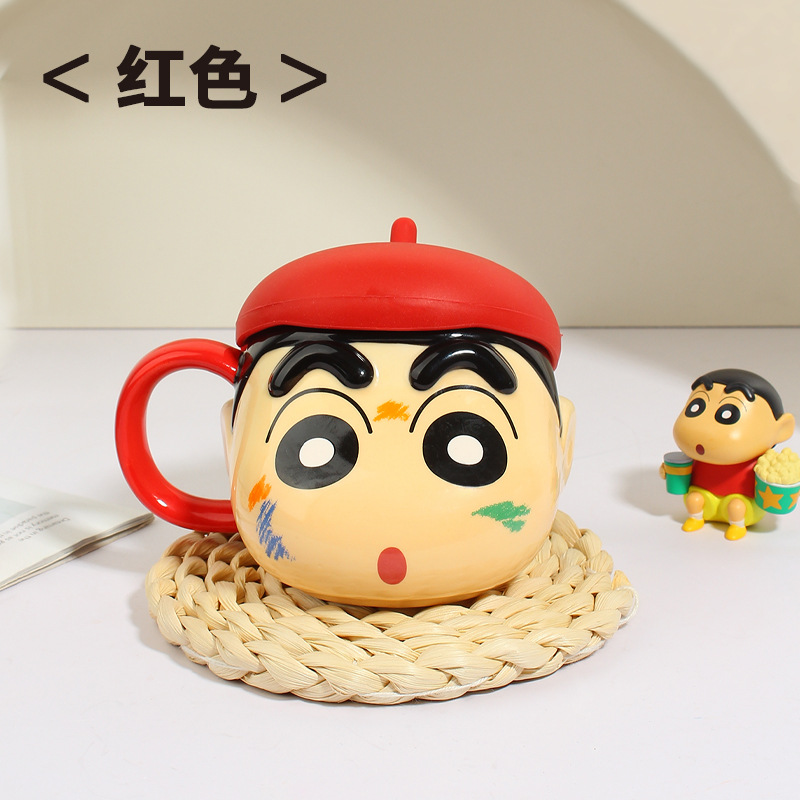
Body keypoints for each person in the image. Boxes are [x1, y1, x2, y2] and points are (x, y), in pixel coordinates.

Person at [665, 368, 795, 540]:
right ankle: (696, 518)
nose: (704, 428)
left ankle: (737, 525)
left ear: (781, 430)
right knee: (694, 499)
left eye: (728, 415)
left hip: (742, 500)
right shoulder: (697, 459)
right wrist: (667, 471)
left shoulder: (762, 465)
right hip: (705, 494)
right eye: (696, 407)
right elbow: (682, 471)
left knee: (737, 507)